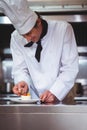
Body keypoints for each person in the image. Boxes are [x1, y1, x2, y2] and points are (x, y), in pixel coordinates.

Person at [0, 0, 79, 104]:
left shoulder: (63, 29)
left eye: (29, 33)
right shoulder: (15, 37)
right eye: (23, 36)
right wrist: (22, 82)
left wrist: (55, 92)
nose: (27, 40)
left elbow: (70, 68)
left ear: (38, 22)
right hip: (32, 101)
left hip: (62, 98)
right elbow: (20, 69)